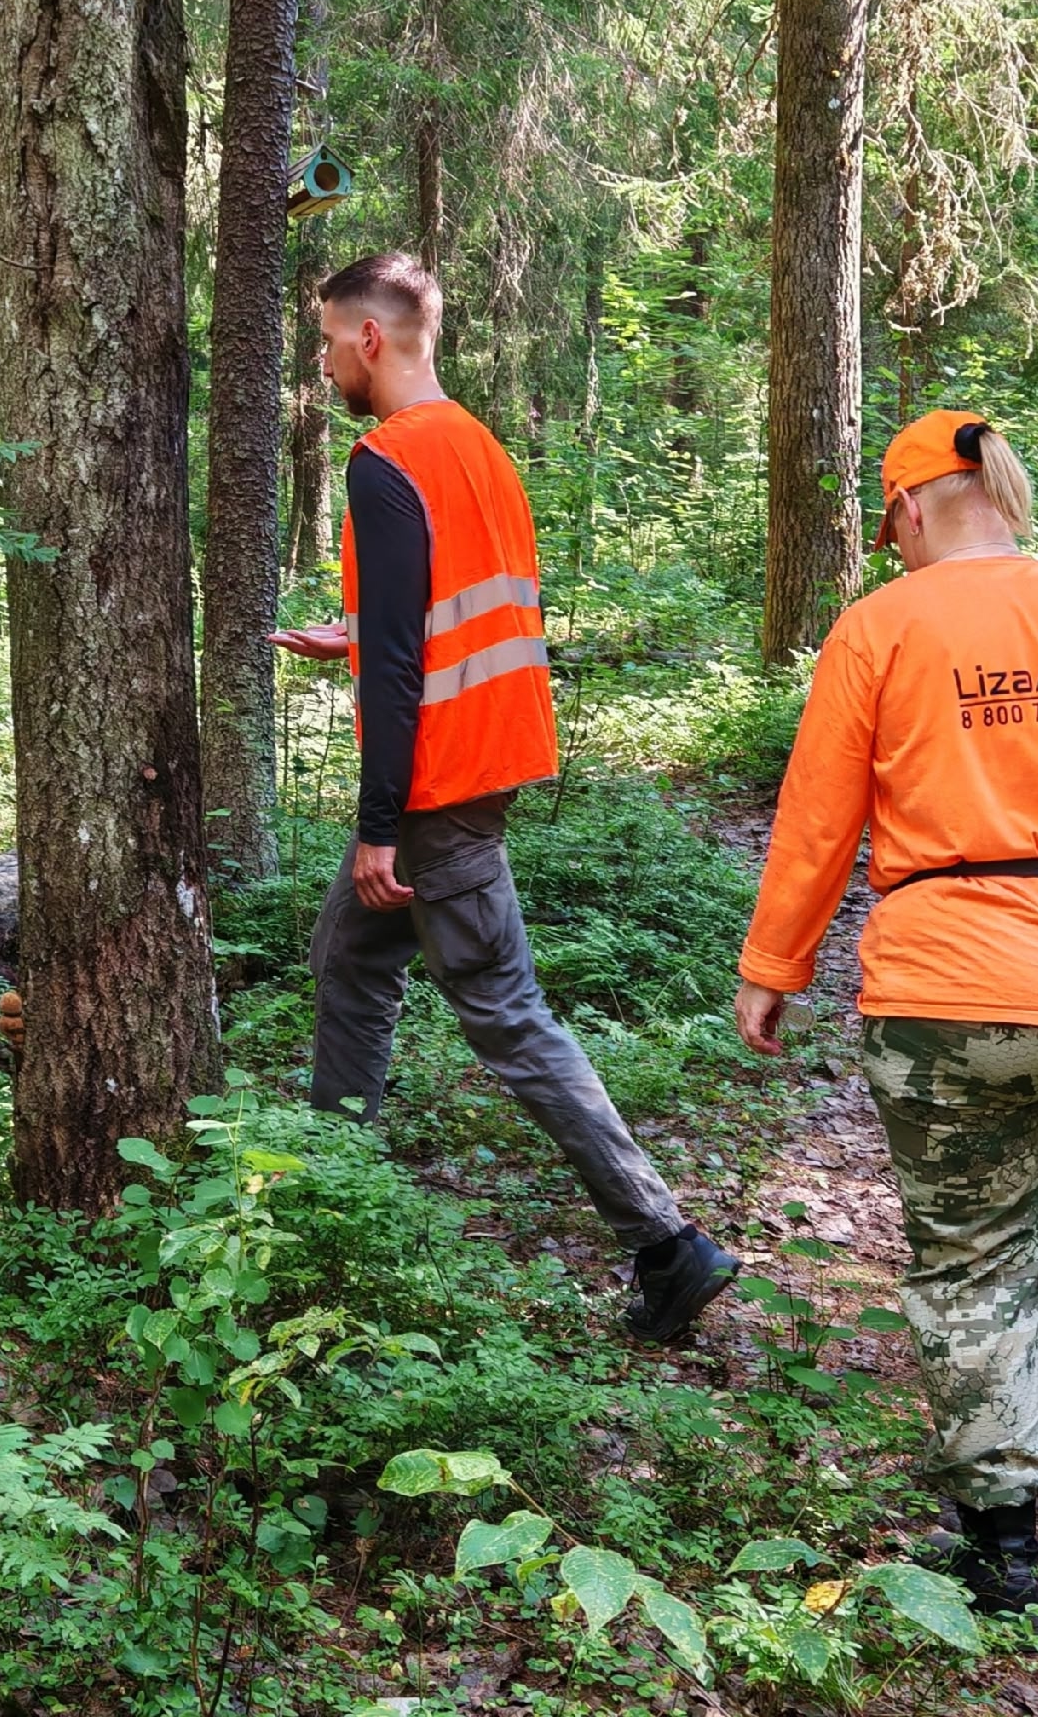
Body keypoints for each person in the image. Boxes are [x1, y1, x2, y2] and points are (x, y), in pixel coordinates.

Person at [732, 408, 1038, 1621]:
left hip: (956, 996)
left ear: (904, 508)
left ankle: (1001, 1546)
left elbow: (818, 819)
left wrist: (774, 965)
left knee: (966, 1249)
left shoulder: (885, 625)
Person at [270, 251, 739, 1343]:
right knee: (348, 959)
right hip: (482, 764)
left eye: (329, 340)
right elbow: (439, 621)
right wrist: (355, 634)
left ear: (371, 340)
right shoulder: (478, 450)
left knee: (507, 1016)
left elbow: (401, 665)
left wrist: (379, 825)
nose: (324, 360)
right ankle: (328, 1200)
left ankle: (667, 1243)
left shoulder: (386, 459)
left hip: (438, 788)